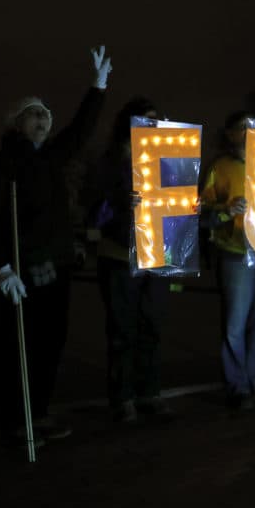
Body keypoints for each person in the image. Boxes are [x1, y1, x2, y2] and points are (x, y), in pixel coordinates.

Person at [0, 45, 112, 447]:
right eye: (35, 113)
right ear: (17, 123)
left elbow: (79, 132)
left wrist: (97, 88)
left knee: (49, 345)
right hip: (18, 270)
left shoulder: (50, 160)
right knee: (17, 348)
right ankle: (13, 418)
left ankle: (38, 412)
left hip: (55, 267)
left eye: (46, 114)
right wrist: (0, 267)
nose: (44, 120)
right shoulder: (1, 165)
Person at [90, 98, 174, 424]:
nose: (151, 124)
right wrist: (118, 202)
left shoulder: (170, 159)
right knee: (123, 331)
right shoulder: (110, 161)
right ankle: (122, 397)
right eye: (144, 119)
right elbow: (94, 212)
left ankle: (149, 393)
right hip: (119, 255)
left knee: (151, 328)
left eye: (157, 119)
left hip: (157, 255)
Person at [200, 111, 255, 411]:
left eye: (254, 126)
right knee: (235, 324)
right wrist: (226, 209)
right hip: (236, 254)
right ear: (229, 134)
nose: (250, 132)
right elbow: (201, 212)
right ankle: (237, 386)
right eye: (242, 127)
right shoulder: (220, 168)